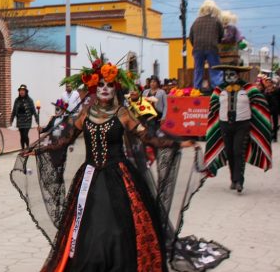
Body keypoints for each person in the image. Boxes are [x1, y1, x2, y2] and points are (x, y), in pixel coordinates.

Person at [21, 53, 198, 271]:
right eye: (101, 85)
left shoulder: (123, 113)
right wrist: (39, 149)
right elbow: (64, 139)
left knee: (118, 227)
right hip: (89, 178)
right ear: (95, 89)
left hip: (120, 177)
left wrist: (178, 143)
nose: (105, 89)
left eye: (109, 85)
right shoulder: (85, 113)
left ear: (116, 89)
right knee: (91, 227)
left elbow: (148, 137)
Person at [205, 65, 272, 193]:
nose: (229, 77)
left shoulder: (248, 89)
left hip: (243, 125)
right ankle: (233, 179)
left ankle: (240, 181)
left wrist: (257, 119)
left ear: (238, 75)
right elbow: (213, 106)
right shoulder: (219, 90)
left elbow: (260, 103)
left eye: (232, 74)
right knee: (230, 152)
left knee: (238, 151)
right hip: (225, 125)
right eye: (227, 74)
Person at [189, 0, 224, 89]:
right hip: (212, 47)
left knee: (198, 69)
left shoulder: (196, 21)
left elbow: (191, 36)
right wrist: (217, 42)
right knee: (214, 68)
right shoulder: (216, 21)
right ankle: (217, 88)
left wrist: (196, 45)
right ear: (213, 10)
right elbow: (221, 35)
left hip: (197, 48)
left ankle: (197, 87)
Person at [38, 99, 70, 179]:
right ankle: (57, 171)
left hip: (61, 142)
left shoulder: (66, 120)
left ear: (63, 110)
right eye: (56, 108)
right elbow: (47, 128)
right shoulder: (53, 119)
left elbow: (69, 131)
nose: (56, 110)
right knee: (53, 158)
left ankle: (60, 173)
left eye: (58, 108)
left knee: (61, 158)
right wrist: (41, 130)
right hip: (53, 141)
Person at [10, 84, 39, 149]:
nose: (21, 92)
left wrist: (37, 120)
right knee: (22, 135)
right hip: (20, 120)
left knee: (25, 135)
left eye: (23, 90)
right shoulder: (17, 100)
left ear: (26, 92)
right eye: (20, 90)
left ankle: (28, 147)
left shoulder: (29, 100)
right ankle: (23, 149)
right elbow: (14, 110)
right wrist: (11, 120)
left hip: (27, 120)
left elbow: (34, 111)